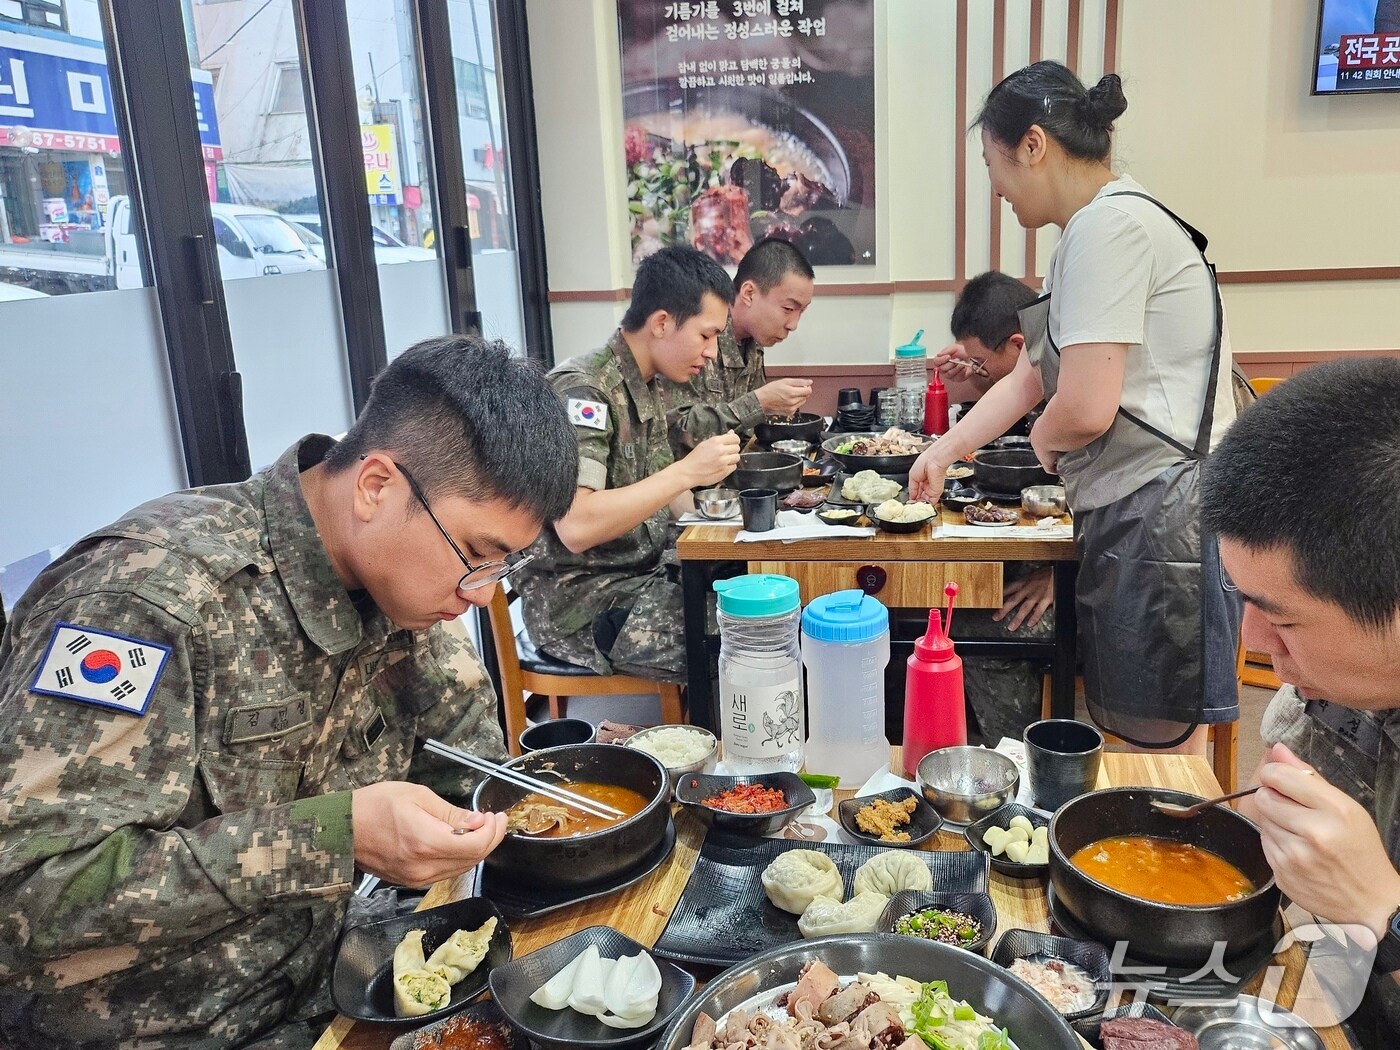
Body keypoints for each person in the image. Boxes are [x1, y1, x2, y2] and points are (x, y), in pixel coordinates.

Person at [0, 336, 579, 1049]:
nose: (480, 595)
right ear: (376, 487)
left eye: (499, 567)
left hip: (331, 981)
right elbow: (24, 893)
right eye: (476, 556)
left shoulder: (404, 589)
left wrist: (513, 813)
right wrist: (331, 838)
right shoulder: (144, 601)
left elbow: (468, 769)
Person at [909, 60, 1241, 753]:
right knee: (1140, 736)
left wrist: (1044, 449)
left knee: (1154, 758)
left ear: (1032, 145)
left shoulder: (1108, 229)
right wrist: (941, 451)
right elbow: (1031, 378)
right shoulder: (1094, 229)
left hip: (1161, 518)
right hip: (1146, 509)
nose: (995, 187)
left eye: (991, 163)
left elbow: (1085, 405)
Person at [1202, 358, 1400, 1048]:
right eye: (1246, 604)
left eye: (1281, 620)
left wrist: (1383, 911)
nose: (1253, 642)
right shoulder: (1333, 694)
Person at [513, 246, 741, 685]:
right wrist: (688, 470)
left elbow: (660, 487)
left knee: (755, 595)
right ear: (661, 323)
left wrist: (718, 521)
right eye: (706, 335)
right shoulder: (584, 393)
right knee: (743, 637)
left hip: (642, 572)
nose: (713, 351)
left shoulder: (647, 379)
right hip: (584, 603)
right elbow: (576, 526)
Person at [924, 272, 1055, 746]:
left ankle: (1015, 762)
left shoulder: (1081, 382)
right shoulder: (1051, 360)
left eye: (982, 360)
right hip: (1078, 558)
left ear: (1018, 346)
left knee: (981, 625)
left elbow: (1109, 497)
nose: (976, 370)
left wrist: (1058, 575)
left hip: (1106, 586)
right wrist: (978, 374)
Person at [663, 237, 816, 452]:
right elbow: (676, 431)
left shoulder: (754, 341)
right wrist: (759, 403)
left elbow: (747, 431)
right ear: (749, 294)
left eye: (802, 311)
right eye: (789, 309)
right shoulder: (694, 337)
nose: (794, 324)